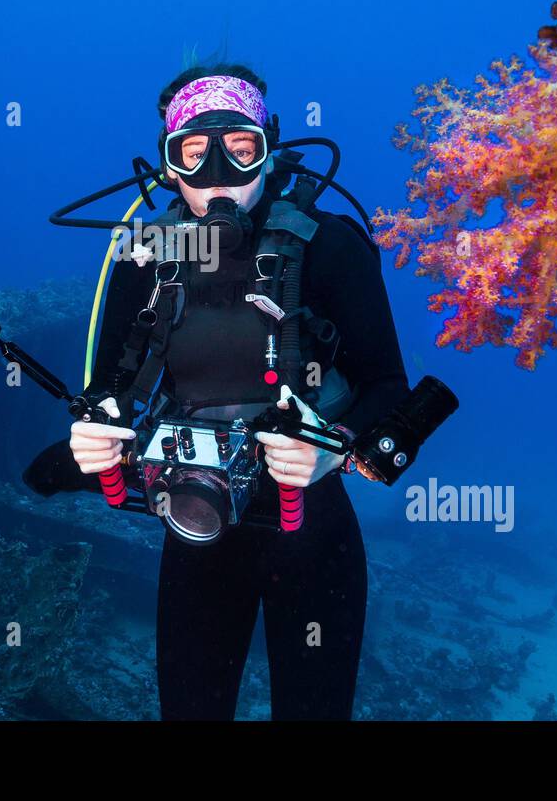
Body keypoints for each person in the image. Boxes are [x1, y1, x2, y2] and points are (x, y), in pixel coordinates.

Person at [68, 63, 410, 720]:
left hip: (313, 532)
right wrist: (94, 433)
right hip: (194, 532)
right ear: (169, 168)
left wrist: (335, 449)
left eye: (241, 149)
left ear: (268, 149)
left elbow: (389, 386)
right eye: (194, 155)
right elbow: (105, 391)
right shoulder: (145, 258)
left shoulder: (330, 247)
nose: (219, 173)